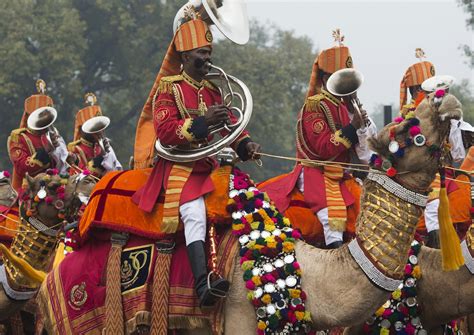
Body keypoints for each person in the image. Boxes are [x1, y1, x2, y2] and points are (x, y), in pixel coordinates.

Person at [132, 13, 260, 307]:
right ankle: (203, 285)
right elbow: (165, 132)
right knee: (193, 213)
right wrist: (201, 123)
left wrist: (246, 145)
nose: (207, 58)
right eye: (202, 53)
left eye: (209, 52)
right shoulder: (169, 88)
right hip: (178, 168)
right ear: (186, 55)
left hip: (207, 165)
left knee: (245, 198)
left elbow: (231, 125)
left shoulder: (214, 89)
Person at [261, 30, 376, 249]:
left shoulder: (346, 107)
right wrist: (353, 127)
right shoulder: (314, 105)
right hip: (317, 173)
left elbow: (364, 157)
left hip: (342, 175)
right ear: (325, 78)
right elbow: (323, 148)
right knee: (331, 219)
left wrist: (362, 127)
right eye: (341, 78)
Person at [7, 79, 69, 191]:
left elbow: (64, 164)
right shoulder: (18, 137)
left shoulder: (53, 134)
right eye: (41, 115)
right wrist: (46, 151)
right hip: (29, 189)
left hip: (55, 185)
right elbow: (22, 167)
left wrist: (69, 156)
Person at [67, 93, 122, 176]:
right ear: (82, 129)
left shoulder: (105, 145)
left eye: (100, 127)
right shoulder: (76, 149)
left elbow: (116, 171)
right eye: (93, 128)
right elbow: (81, 176)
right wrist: (100, 158)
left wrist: (108, 155)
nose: (99, 131)